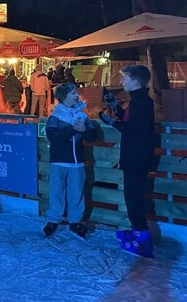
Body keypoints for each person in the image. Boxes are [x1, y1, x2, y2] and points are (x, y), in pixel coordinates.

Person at [99, 65, 156, 258]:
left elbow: (132, 129)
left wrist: (111, 122)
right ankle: (137, 230)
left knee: (133, 196)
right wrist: (114, 105)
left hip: (136, 157)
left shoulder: (141, 102)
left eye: (125, 78)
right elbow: (129, 119)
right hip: (135, 156)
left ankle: (142, 239)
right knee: (132, 195)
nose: (122, 81)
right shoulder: (138, 101)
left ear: (136, 82)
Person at [43, 83, 97, 239]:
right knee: (56, 192)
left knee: (76, 192)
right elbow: (54, 137)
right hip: (59, 161)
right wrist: (72, 129)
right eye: (73, 93)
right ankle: (54, 219)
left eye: (76, 92)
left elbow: (92, 136)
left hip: (77, 162)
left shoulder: (82, 115)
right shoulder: (55, 116)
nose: (77, 95)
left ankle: (75, 220)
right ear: (64, 96)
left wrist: (85, 130)